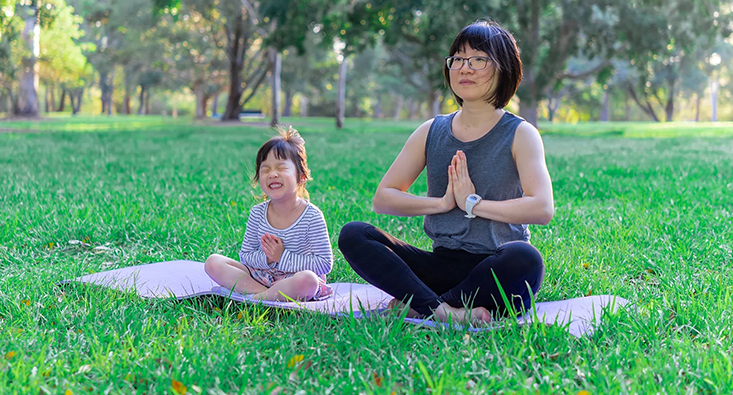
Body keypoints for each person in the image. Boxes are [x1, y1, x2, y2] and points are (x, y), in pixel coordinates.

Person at [338, 20, 554, 324]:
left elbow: (542, 208)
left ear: (504, 68)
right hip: (439, 264)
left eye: (479, 59)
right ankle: (445, 311)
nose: (465, 68)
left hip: (494, 269)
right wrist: (441, 204)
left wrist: (472, 204)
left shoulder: (521, 134)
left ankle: (422, 304)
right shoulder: (432, 131)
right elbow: (383, 199)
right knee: (355, 234)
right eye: (458, 59)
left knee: (526, 258)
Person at [205, 127, 333, 301]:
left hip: (294, 280)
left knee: (308, 280)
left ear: (301, 176)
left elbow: (324, 264)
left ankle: (256, 298)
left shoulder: (312, 216)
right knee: (213, 262)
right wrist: (267, 258)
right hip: (261, 277)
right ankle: (264, 295)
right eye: (265, 169)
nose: (272, 174)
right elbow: (246, 255)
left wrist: (281, 257)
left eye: (281, 168)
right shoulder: (258, 213)